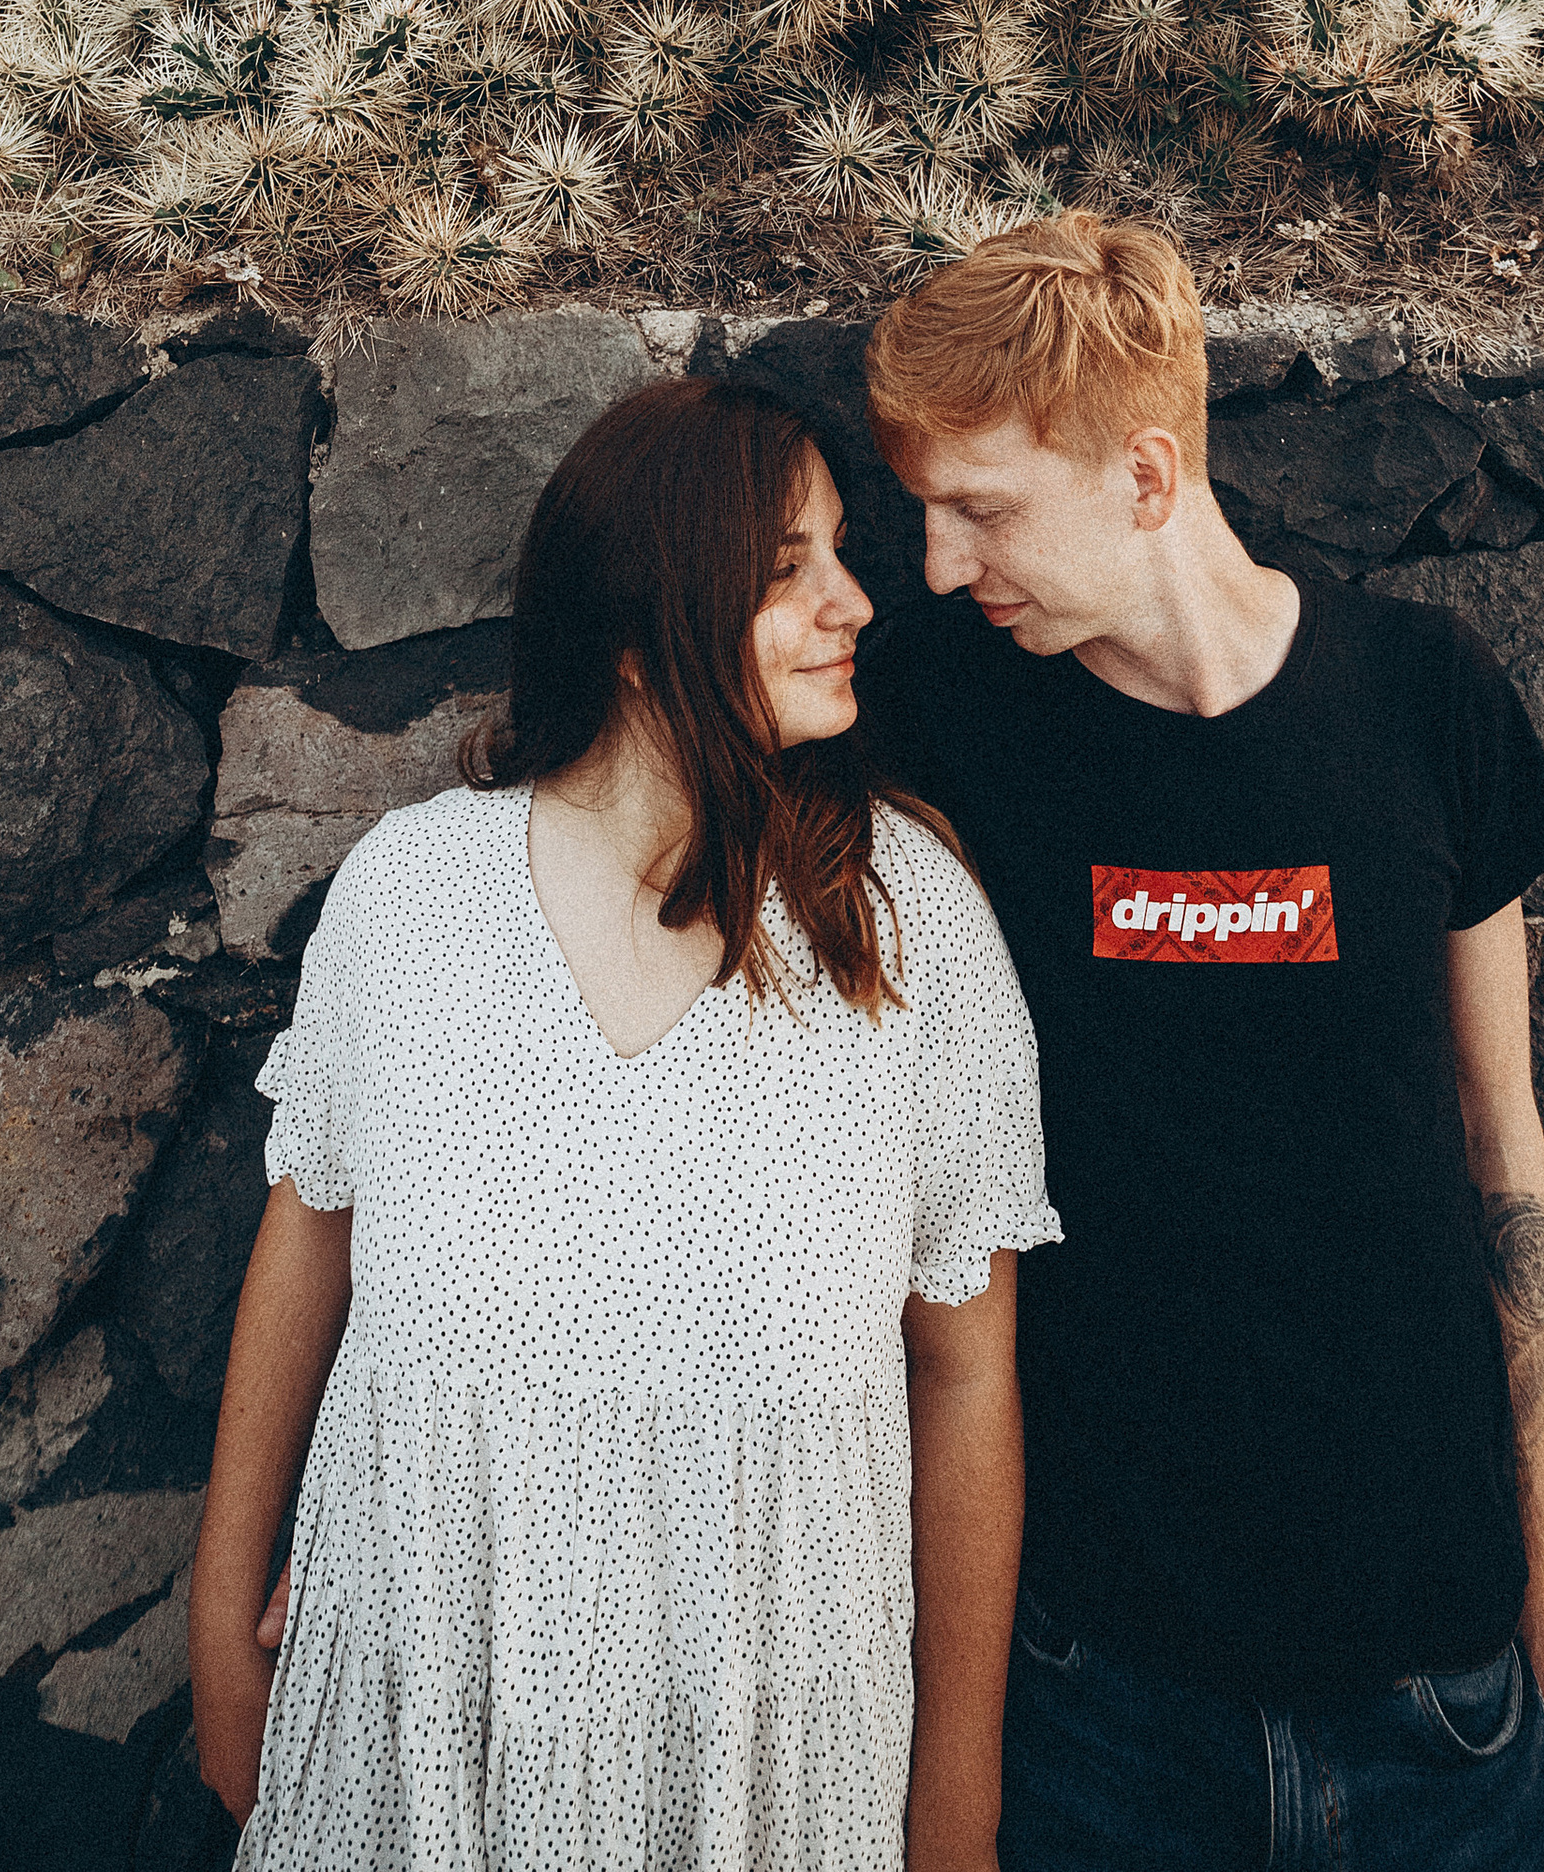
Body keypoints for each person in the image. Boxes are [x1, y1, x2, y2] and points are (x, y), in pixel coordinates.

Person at [189, 374, 1060, 1872]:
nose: (856, 602)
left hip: (776, 1741)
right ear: (643, 627)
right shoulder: (413, 896)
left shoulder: (904, 921)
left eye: (840, 553)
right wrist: (221, 1617)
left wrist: (957, 1790)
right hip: (427, 1702)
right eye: (787, 569)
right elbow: (311, 1237)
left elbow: (967, 1369)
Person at [859, 214, 1544, 1872]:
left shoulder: (1426, 698)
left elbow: (1505, 1150)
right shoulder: (946, 707)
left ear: (1146, 475)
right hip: (1105, 1705)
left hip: (1441, 1698)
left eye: (982, 510)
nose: (936, 564)